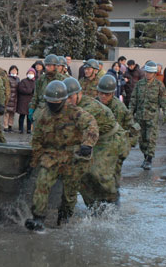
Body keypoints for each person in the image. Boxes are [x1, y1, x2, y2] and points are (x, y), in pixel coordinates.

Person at [25, 80, 99, 232]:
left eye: (57, 103)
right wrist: (34, 161)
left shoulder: (75, 112)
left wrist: (88, 143)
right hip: (52, 155)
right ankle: (38, 218)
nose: (53, 106)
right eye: (51, 102)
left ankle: (64, 219)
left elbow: (91, 125)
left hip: (72, 157)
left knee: (69, 193)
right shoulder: (43, 115)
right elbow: (37, 140)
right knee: (42, 183)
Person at [65, 77, 127, 210]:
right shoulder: (72, 107)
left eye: (70, 98)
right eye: (66, 98)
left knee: (100, 174)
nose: (68, 101)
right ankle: (94, 206)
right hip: (98, 140)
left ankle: (112, 203)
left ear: (78, 94)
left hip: (112, 140)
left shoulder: (89, 107)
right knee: (84, 174)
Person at [96, 74, 138, 187]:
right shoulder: (94, 104)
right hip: (97, 147)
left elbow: (133, 130)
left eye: (107, 94)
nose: (103, 96)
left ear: (113, 93)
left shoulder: (120, 109)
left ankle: (114, 200)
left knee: (112, 178)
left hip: (114, 148)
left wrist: (125, 149)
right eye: (101, 93)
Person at [129, 60, 166, 170]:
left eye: (150, 73)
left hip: (152, 116)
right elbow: (133, 99)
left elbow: (163, 99)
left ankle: (149, 159)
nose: (148, 74)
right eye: (146, 72)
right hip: (140, 116)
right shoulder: (139, 84)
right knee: (142, 140)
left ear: (154, 74)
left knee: (151, 138)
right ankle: (146, 156)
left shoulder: (159, 85)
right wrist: (130, 112)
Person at [28, 54, 66, 119]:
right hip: (41, 109)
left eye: (49, 65)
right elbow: (35, 95)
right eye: (46, 65)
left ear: (55, 66)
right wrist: (32, 108)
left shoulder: (62, 79)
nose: (47, 67)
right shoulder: (41, 79)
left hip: (56, 110)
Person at [17, 68, 36, 134]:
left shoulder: (35, 82)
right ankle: (20, 129)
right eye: (29, 73)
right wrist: (30, 90)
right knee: (22, 116)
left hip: (30, 101)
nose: (30, 74)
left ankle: (28, 129)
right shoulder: (23, 81)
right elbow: (21, 89)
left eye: (32, 73)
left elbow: (36, 91)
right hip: (23, 101)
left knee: (29, 117)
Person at [4, 65, 20, 132]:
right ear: (10, 71)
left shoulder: (18, 79)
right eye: (12, 70)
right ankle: (5, 127)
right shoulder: (7, 78)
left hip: (15, 99)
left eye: (15, 70)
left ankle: (10, 126)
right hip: (8, 98)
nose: (14, 71)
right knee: (6, 114)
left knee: (12, 114)